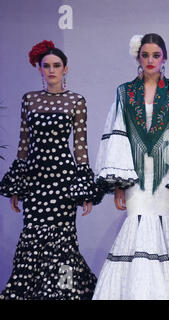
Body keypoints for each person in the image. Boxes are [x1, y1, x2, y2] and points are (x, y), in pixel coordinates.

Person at [92, 33, 169, 300]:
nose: (150, 60)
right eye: (145, 55)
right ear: (138, 58)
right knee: (136, 228)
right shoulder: (124, 92)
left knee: (165, 229)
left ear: (164, 58)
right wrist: (119, 185)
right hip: (134, 178)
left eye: (156, 55)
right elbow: (119, 137)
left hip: (167, 177)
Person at [0, 40, 100, 300]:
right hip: (34, 180)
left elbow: (80, 147)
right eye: (47, 66)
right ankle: (29, 293)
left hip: (63, 182)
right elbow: (24, 144)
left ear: (65, 69)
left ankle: (64, 291)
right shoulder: (30, 100)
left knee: (64, 242)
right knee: (32, 237)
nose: (52, 70)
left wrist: (84, 189)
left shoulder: (75, 101)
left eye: (57, 65)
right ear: (40, 69)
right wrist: (17, 185)